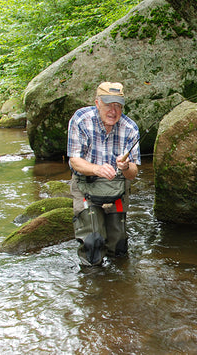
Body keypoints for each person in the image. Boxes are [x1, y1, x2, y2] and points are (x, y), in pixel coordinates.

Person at [67, 82, 141, 266]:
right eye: (108, 104)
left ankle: (118, 287)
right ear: (97, 103)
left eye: (118, 105)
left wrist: (125, 167)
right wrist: (96, 169)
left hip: (117, 187)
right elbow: (74, 161)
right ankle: (94, 289)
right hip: (86, 184)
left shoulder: (131, 128)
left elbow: (133, 174)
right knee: (93, 244)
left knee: (119, 247)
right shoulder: (80, 120)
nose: (113, 111)